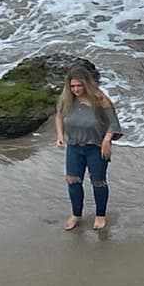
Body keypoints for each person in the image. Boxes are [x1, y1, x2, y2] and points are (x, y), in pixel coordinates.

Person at [54, 64, 123, 230]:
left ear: (86, 83)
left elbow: (113, 123)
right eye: (73, 86)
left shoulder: (100, 100)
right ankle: (76, 214)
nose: (76, 89)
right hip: (74, 146)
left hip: (96, 147)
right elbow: (58, 117)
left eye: (79, 85)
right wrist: (60, 135)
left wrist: (107, 140)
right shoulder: (66, 100)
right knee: (72, 181)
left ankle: (100, 215)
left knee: (98, 182)